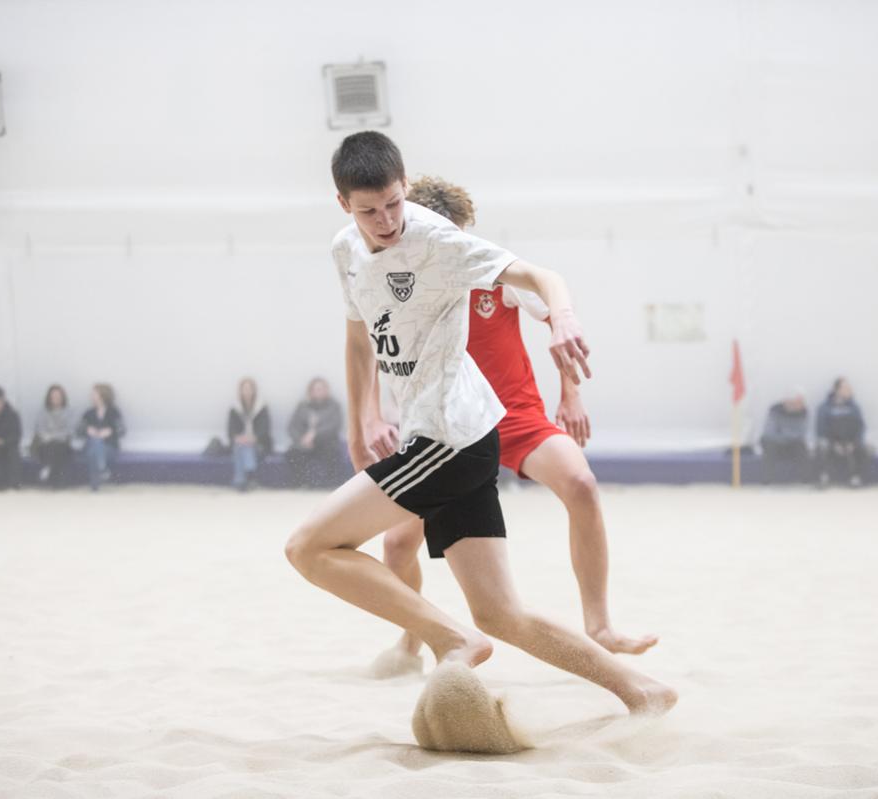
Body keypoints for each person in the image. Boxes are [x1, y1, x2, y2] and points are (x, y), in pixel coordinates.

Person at [284, 132, 675, 724]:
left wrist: (563, 320)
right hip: (453, 437)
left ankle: (450, 639)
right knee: (501, 614)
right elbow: (358, 339)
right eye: (369, 210)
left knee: (308, 547)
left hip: (449, 437)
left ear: (405, 185)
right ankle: (642, 691)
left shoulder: (438, 240)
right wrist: (362, 422)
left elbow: (544, 277)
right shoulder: (345, 250)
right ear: (344, 205)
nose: (386, 221)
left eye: (393, 202)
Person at [365, 175, 654, 672]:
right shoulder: (399, 279)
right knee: (396, 543)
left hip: (513, 415)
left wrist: (571, 394)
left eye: (459, 237)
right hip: (443, 426)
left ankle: (600, 625)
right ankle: (412, 642)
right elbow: (372, 349)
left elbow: (555, 313)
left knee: (582, 484)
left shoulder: (491, 269)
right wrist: (372, 415)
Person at [285, 377, 345, 488]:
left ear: (327, 390)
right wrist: (301, 439)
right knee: (293, 453)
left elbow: (334, 426)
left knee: (332, 453)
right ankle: (301, 483)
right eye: (316, 389)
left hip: (325, 443)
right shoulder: (302, 406)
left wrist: (315, 436)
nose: (318, 392)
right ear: (310, 391)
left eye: (321, 389)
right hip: (303, 443)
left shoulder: (334, 406)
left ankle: (329, 484)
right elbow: (292, 427)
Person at [815, 378, 868, 488]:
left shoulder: (854, 407)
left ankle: (856, 478)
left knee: (863, 448)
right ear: (837, 390)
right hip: (832, 441)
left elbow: (860, 427)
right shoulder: (825, 407)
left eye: (849, 388)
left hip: (850, 441)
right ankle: (823, 477)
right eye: (846, 388)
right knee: (822, 446)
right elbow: (821, 429)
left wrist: (853, 443)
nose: (849, 390)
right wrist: (834, 444)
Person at [228, 377, 273, 491]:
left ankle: (240, 480)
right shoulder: (235, 409)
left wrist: (253, 439)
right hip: (241, 443)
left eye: (249, 389)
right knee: (241, 447)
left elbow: (265, 429)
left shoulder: (261, 408)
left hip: (259, 444)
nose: (247, 391)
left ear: (254, 390)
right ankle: (249, 475)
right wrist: (239, 438)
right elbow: (231, 430)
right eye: (244, 389)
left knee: (245, 447)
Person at [77, 383, 125, 491]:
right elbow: (78, 431)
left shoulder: (114, 412)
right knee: (95, 442)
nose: (91, 396)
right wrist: (87, 430)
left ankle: (95, 485)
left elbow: (122, 431)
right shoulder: (88, 413)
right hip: (90, 446)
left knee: (93, 452)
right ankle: (102, 469)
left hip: (109, 447)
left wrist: (110, 431)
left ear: (102, 395)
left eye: (94, 394)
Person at [759, 389, 810, 484]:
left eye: (801, 402)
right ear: (788, 401)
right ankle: (766, 480)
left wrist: (783, 432)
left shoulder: (803, 412)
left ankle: (805, 479)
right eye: (798, 402)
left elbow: (801, 433)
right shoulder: (775, 411)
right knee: (769, 445)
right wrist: (788, 435)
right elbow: (769, 432)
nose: (800, 405)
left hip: (792, 444)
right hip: (775, 442)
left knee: (801, 446)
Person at [34, 384, 73, 489]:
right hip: (45, 445)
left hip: (62, 445)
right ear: (49, 398)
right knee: (51, 447)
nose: (56, 399)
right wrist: (49, 437)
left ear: (63, 397)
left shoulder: (68, 412)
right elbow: (39, 429)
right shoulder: (42, 412)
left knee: (58, 447)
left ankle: (48, 468)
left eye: (58, 396)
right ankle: (55, 479)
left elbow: (68, 431)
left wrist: (52, 436)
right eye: (53, 397)